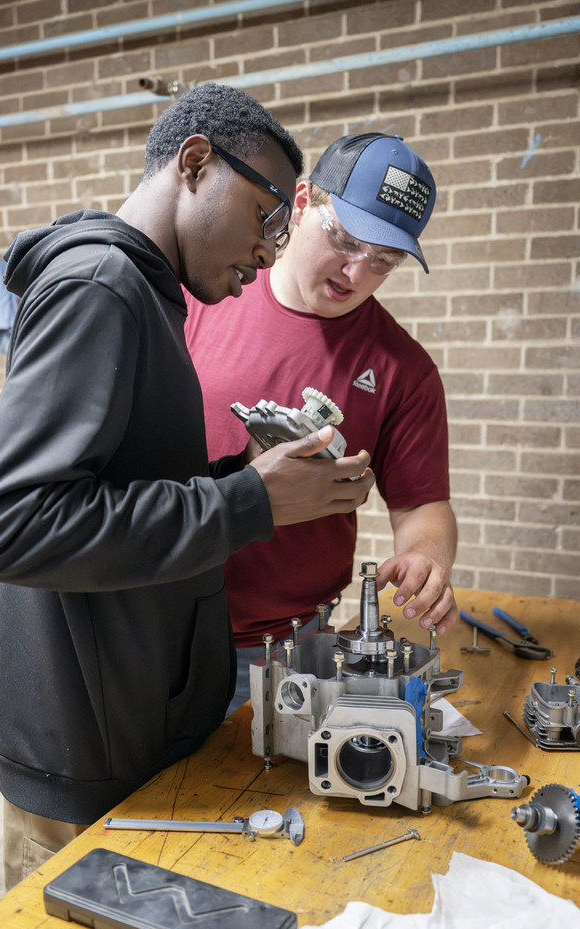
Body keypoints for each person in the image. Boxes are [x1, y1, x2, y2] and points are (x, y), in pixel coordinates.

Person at [0, 84, 375, 889]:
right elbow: (9, 526)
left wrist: (246, 479)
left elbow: (116, 490)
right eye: (264, 218)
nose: (267, 252)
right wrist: (248, 503)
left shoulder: (149, 295)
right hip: (82, 753)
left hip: (128, 730)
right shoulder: (99, 287)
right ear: (194, 164)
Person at [186, 132, 458, 710]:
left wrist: (427, 558)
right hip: (161, 630)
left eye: (382, 261)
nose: (355, 272)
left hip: (289, 648)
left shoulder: (403, 369)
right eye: (345, 240)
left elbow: (421, 505)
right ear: (304, 201)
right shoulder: (205, 295)